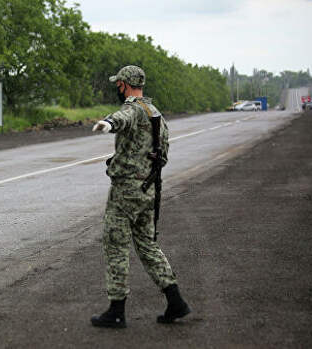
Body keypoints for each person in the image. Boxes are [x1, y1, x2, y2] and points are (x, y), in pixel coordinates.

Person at [90, 65, 190, 328]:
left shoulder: (132, 108)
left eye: (118, 83)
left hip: (125, 192)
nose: (117, 87)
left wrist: (108, 123)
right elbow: (163, 156)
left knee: (116, 245)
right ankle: (175, 300)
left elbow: (122, 118)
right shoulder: (157, 115)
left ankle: (116, 310)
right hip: (149, 190)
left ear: (125, 84)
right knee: (147, 246)